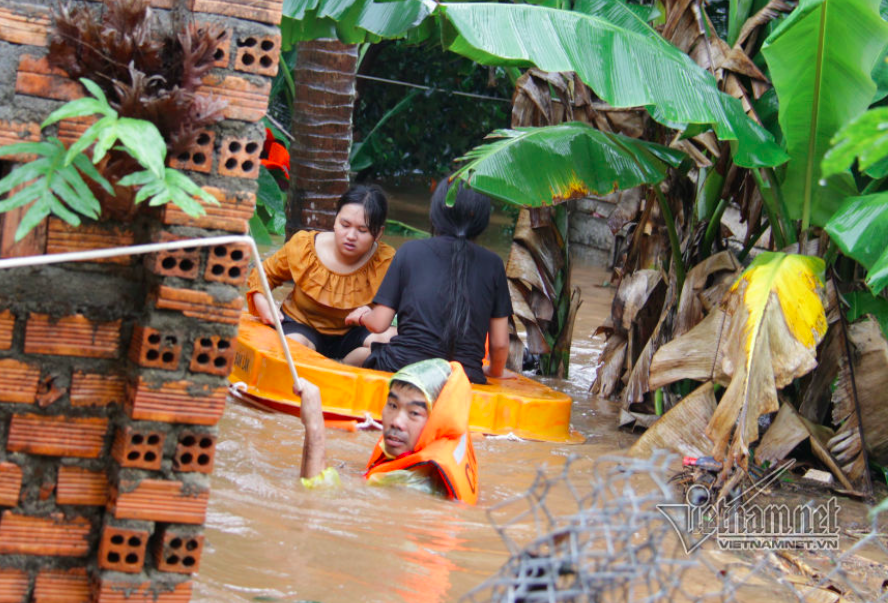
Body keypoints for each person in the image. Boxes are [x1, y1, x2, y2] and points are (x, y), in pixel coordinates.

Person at [345, 179, 512, 383]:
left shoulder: (410, 251)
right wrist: (494, 372)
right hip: (465, 377)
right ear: (482, 218)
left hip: (402, 366)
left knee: (356, 356)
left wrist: (363, 316)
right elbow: (500, 344)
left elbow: (379, 324)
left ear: (436, 213)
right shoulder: (494, 265)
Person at [246, 185, 395, 366]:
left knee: (391, 340)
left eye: (362, 231)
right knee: (293, 347)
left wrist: (373, 315)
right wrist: (265, 306)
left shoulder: (386, 261)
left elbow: (407, 307)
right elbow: (263, 276)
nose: (350, 236)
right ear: (335, 220)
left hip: (354, 334)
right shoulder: (304, 246)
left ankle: (344, 366)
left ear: (378, 233)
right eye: (344, 225)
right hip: (302, 327)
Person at [296, 358, 479, 504]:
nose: (397, 421)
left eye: (414, 413)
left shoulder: (414, 481)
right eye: (392, 405)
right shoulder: (441, 443)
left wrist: (314, 426)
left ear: (439, 422)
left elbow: (314, 501)